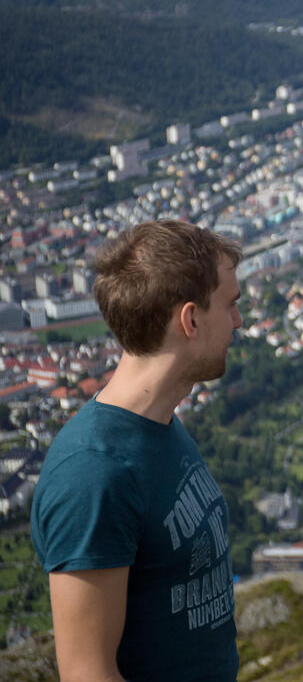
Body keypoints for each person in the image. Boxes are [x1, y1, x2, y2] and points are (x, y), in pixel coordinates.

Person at [30, 220, 243, 682]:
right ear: (190, 319)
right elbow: (88, 672)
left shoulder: (161, 424)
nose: (239, 322)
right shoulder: (93, 473)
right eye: (231, 306)